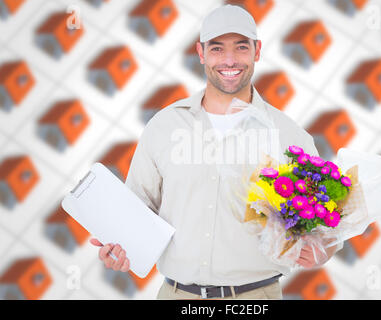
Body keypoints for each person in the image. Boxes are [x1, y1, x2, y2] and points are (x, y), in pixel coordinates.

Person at [90, 4, 342, 300]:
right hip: (177, 295)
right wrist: (120, 248)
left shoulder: (288, 136)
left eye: (241, 47)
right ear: (201, 53)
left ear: (257, 51)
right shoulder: (165, 126)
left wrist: (322, 251)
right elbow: (139, 208)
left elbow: (326, 221)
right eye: (218, 49)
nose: (230, 60)